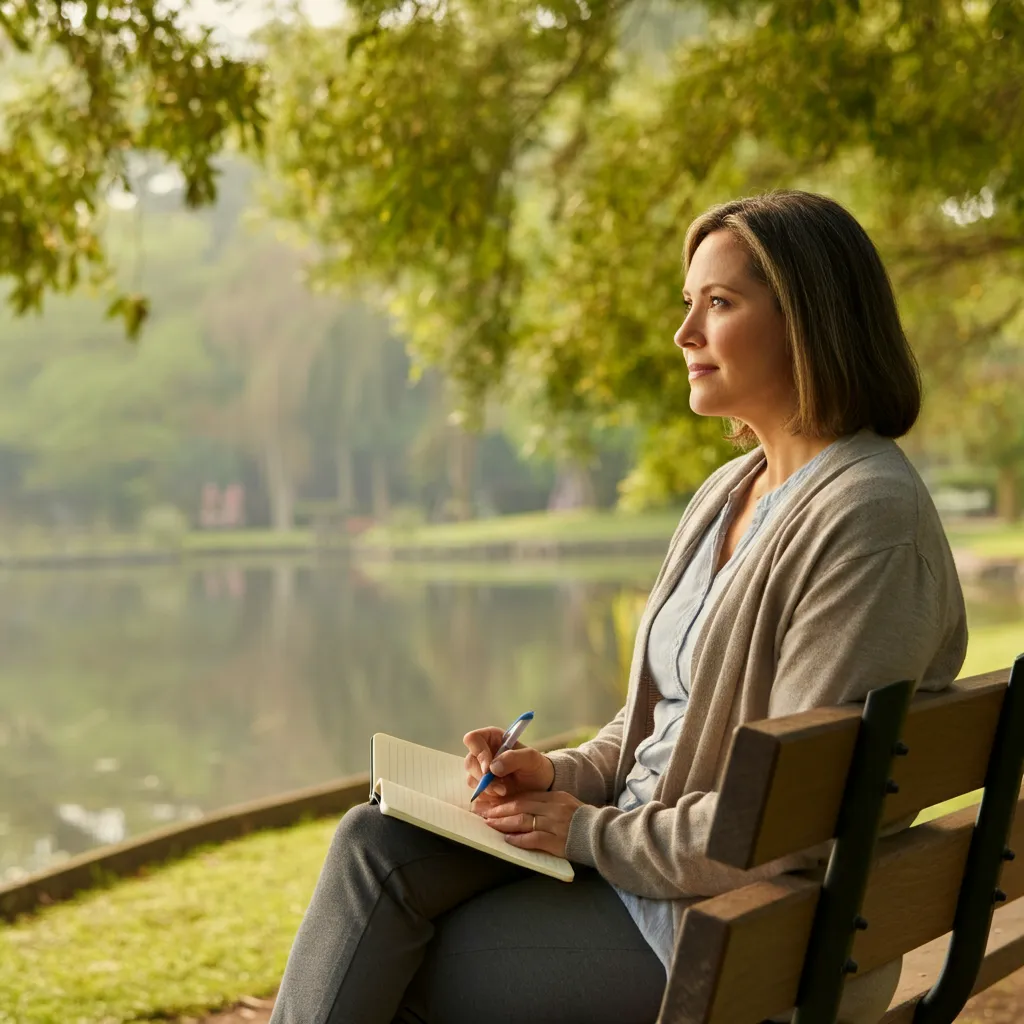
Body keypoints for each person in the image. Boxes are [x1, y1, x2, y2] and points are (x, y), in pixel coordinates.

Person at [267, 190, 968, 1024]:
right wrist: (561, 775)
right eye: (688, 303)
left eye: (719, 303)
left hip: (729, 929)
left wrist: (585, 833)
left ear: (809, 321)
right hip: (653, 867)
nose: (685, 334)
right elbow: (664, 720)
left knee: (386, 970)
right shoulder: (729, 492)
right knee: (374, 844)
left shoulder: (865, 517)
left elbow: (794, 825)